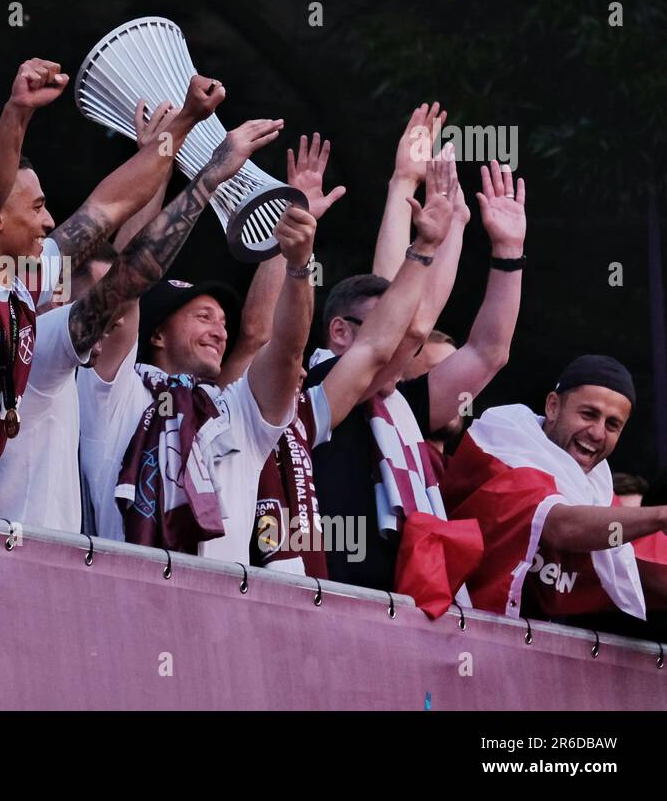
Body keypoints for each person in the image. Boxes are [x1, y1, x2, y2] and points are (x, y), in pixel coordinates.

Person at [0, 50, 209, 514]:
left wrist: (183, 127)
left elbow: (106, 208)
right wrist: (18, 111)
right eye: (35, 208)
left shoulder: (20, 285)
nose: (49, 221)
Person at [0, 76, 229, 531]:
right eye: (36, 208)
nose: (50, 221)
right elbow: (129, 273)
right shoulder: (34, 352)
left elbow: (107, 223)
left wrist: (157, 157)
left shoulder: (1, 317)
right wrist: (205, 169)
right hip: (13, 566)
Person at [77, 127, 323, 562]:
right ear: (155, 334)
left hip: (219, 618)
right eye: (202, 317)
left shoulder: (237, 412)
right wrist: (177, 165)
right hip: (120, 602)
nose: (219, 331)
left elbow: (285, 348)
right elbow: (130, 275)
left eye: (223, 322)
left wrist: (300, 265)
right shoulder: (115, 391)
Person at [215, 140, 455, 576]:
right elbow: (260, 336)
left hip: (308, 600)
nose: (299, 371)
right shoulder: (223, 408)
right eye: (201, 317)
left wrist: (427, 245)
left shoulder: (301, 416)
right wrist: (296, 255)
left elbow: (384, 341)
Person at [306, 158, 526, 591]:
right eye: (384, 324)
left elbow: (488, 353)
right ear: (340, 332)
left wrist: (508, 252)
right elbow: (413, 327)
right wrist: (436, 234)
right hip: (326, 598)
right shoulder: (315, 386)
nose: (403, 341)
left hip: (404, 607)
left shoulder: (396, 405)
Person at [442, 354, 667, 621]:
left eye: (612, 425)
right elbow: (560, 526)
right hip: (444, 630)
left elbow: (648, 561)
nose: (597, 433)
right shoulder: (503, 447)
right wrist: (660, 515)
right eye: (588, 414)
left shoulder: (595, 488)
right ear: (552, 406)